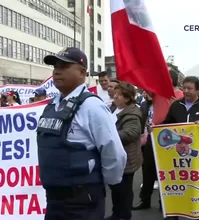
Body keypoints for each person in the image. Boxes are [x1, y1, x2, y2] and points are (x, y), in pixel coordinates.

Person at [37, 47, 127, 220]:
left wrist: (104, 184)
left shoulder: (92, 106)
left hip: (82, 201)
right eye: (55, 66)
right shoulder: (52, 106)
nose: (57, 71)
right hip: (54, 200)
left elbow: (114, 152)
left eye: (64, 66)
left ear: (82, 72)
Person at [159, 76, 199, 220]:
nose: (185, 91)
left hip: (198, 160)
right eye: (184, 88)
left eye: (189, 88)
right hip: (177, 159)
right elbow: (167, 124)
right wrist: (155, 129)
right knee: (178, 186)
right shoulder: (176, 106)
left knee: (197, 187)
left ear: (198, 90)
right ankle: (174, 213)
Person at [108, 82, 142, 220]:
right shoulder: (114, 108)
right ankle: (117, 214)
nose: (114, 96)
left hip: (126, 161)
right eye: (114, 93)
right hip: (116, 158)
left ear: (127, 98)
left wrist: (107, 134)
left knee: (124, 191)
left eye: (118, 94)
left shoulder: (132, 115)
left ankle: (124, 216)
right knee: (116, 190)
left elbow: (130, 133)